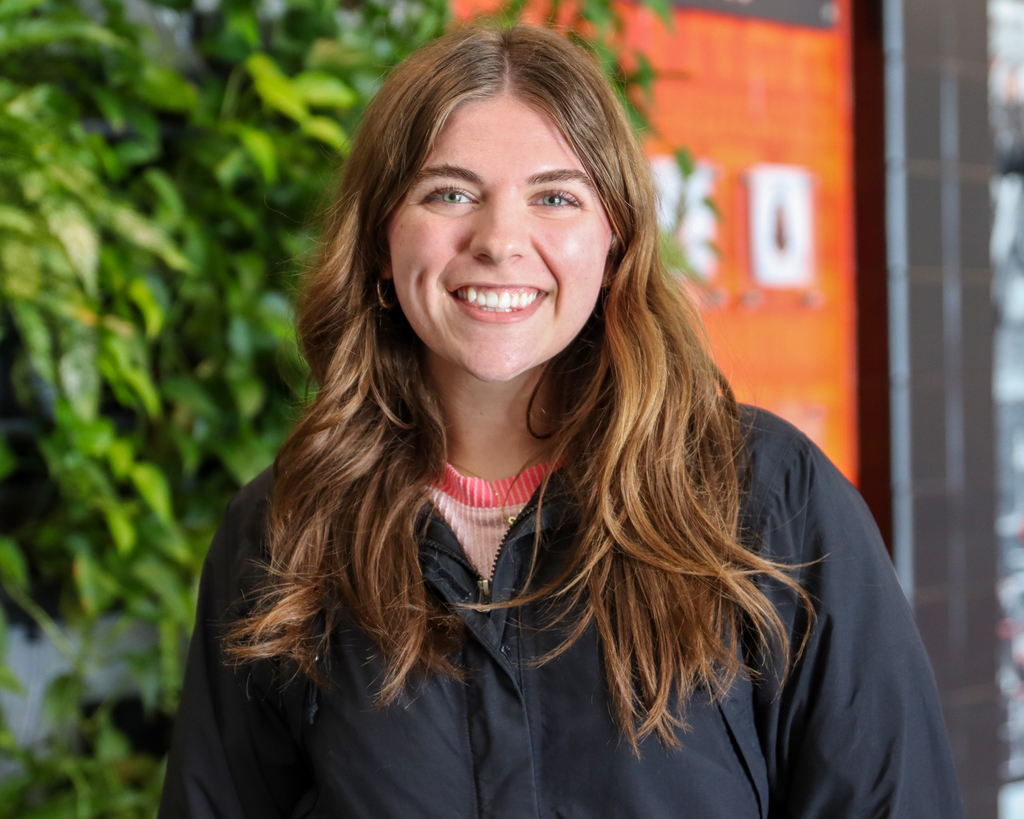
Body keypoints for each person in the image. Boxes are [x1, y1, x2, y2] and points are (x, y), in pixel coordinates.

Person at [158, 23, 963, 819]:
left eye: (555, 196)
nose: (501, 241)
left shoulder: (765, 500)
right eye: (450, 192)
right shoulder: (285, 531)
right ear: (378, 239)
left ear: (615, 241)